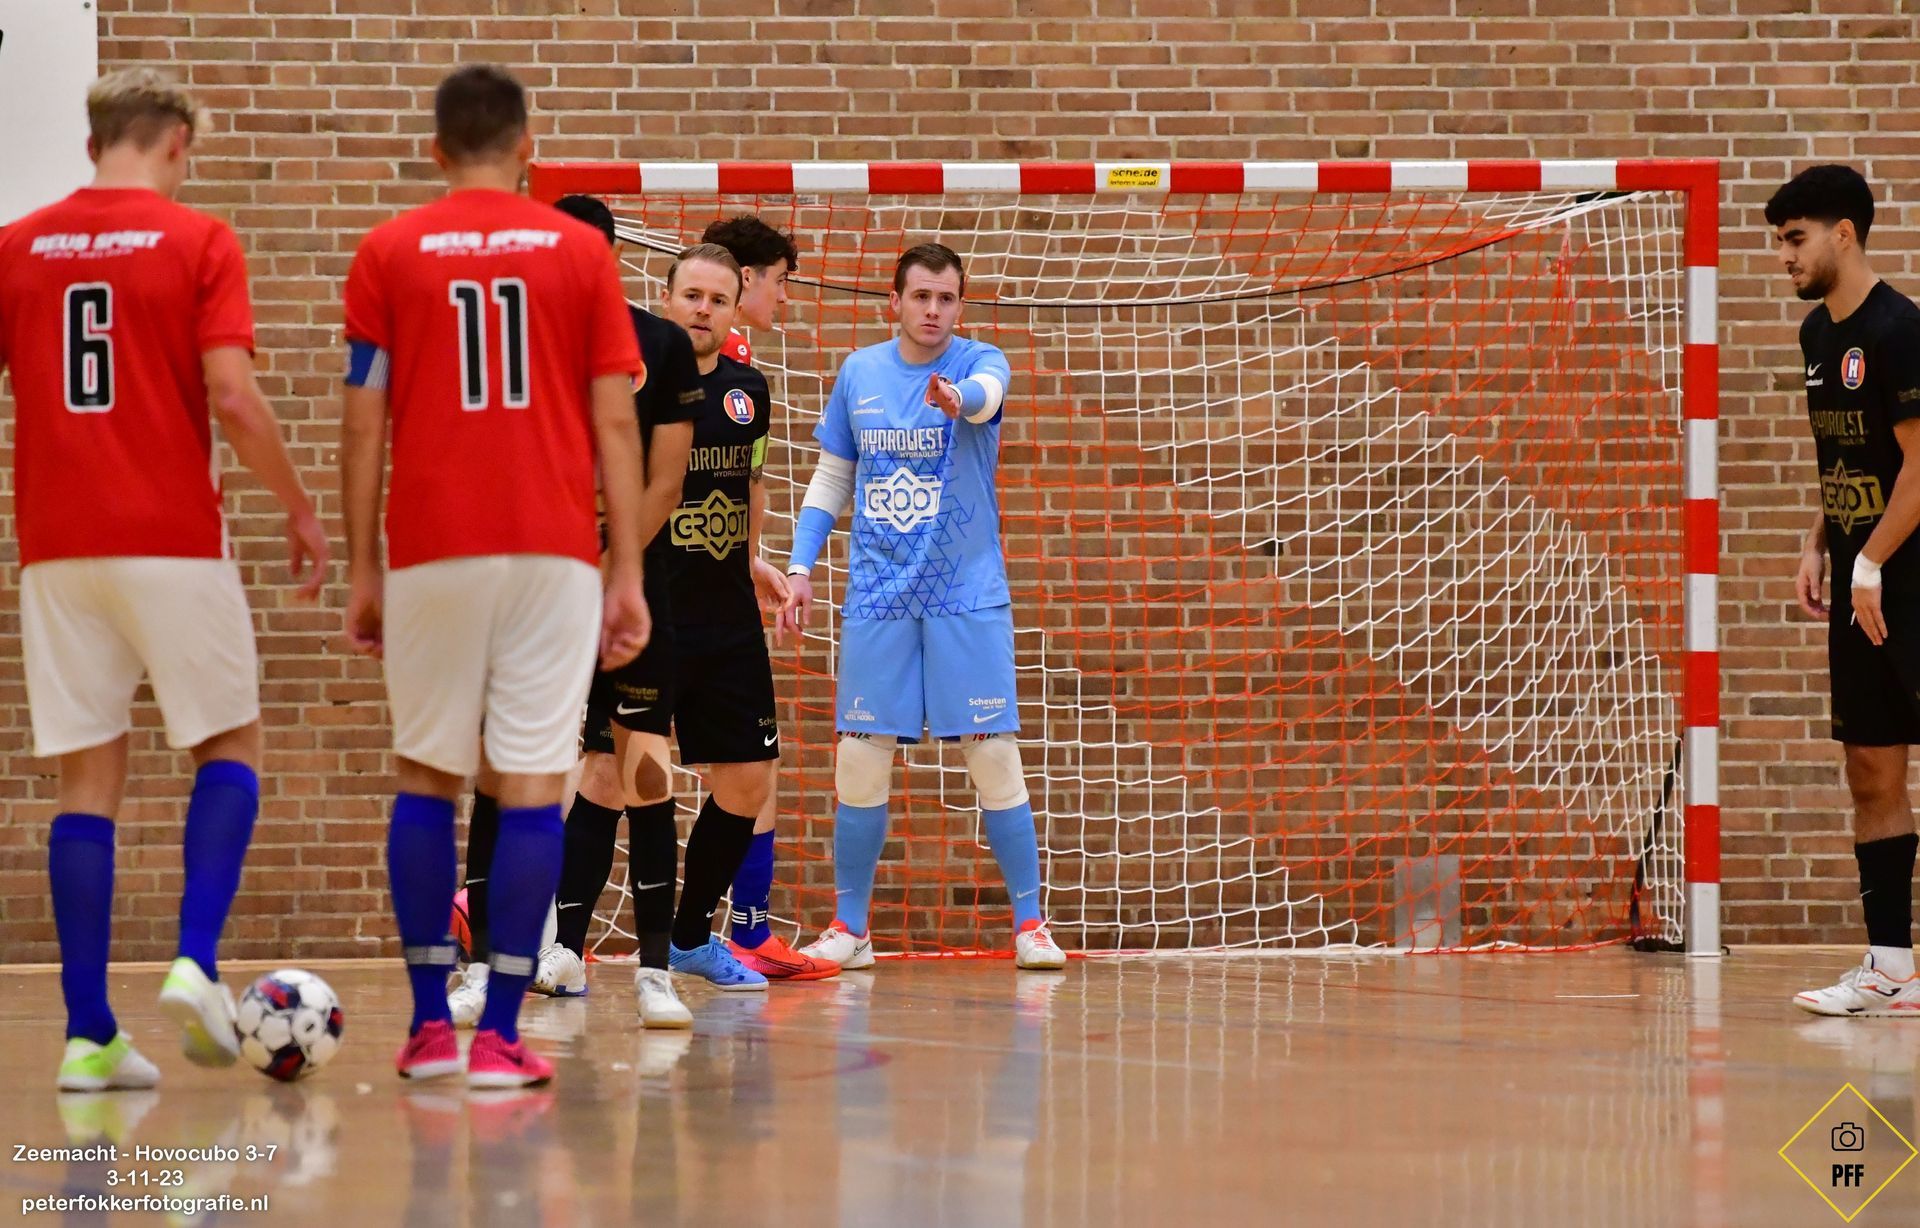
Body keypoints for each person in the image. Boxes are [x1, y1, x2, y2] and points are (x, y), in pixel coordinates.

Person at [0, 68, 328, 1090]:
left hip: (56, 545)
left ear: (93, 141)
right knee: (228, 741)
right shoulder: (198, 239)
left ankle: (88, 1034)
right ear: (178, 141)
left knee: (87, 780)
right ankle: (193, 959)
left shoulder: (16, 246)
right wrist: (299, 504)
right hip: (172, 534)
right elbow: (232, 395)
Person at [341, 64, 650, 1087]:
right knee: (530, 788)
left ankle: (432, 1028)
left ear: (436, 150)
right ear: (528, 148)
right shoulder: (580, 252)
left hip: (433, 546)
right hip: (551, 552)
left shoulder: (388, 250)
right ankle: (504, 1035)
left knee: (428, 776)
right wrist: (625, 568)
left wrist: (363, 563)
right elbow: (617, 421)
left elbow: (363, 423)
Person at [782, 243, 1065, 971]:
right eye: (921, 296)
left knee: (993, 754)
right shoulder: (860, 372)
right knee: (859, 758)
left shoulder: (980, 362)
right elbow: (832, 477)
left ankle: (1030, 925)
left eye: (946, 298)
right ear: (895, 302)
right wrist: (800, 566)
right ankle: (851, 929)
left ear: (960, 306)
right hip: (878, 596)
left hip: (964, 594)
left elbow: (988, 397)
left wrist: (956, 400)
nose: (933, 310)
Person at [454, 192, 699, 1027]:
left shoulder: (660, 344)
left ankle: (656, 974)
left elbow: (666, 481)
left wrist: (608, 566)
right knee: (504, 772)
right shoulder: (508, 341)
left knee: (644, 772)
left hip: (630, 588)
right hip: (529, 585)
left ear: (610, 256)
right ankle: (485, 966)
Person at [1773, 165, 1920, 1016]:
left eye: (1796, 239)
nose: (1785, 257)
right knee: (1870, 767)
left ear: (1844, 234)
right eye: (1780, 242)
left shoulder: (1901, 329)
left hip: (1907, 579)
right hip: (1863, 583)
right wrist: (1820, 540)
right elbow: (1850, 456)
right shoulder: (1814, 336)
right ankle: (1892, 969)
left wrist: (1872, 562)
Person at [696, 214, 837, 980]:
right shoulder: (707, 360)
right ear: (747, 277)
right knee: (612, 765)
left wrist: (751, 561)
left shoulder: (744, 371)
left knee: (749, 765)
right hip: (676, 593)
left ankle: (747, 930)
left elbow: (742, 480)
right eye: (780, 281)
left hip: (714, 582)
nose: (785, 297)